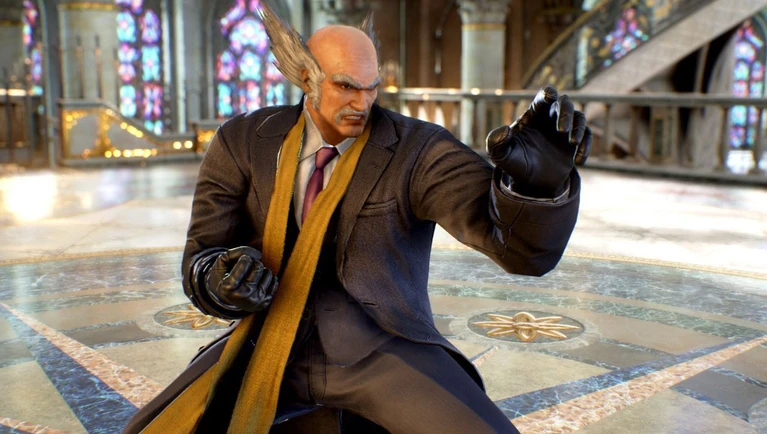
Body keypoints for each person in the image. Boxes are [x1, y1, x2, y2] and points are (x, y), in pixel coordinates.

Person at [122, 4, 591, 434]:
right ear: (306, 77)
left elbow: (518, 251)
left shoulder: (417, 149)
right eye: (346, 86)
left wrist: (538, 188)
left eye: (372, 88)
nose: (363, 104)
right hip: (259, 343)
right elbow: (202, 258)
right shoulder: (242, 141)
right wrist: (223, 281)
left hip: (383, 347)